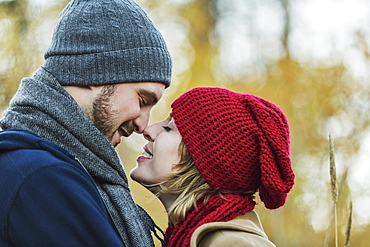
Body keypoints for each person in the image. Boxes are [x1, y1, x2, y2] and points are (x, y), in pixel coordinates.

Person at [0, 0, 172, 246]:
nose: (143, 125)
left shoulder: (48, 169)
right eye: (142, 99)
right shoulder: (42, 178)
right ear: (97, 72)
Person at [130, 87, 295, 247]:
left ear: (201, 163)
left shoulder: (231, 243)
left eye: (168, 128)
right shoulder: (192, 235)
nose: (148, 130)